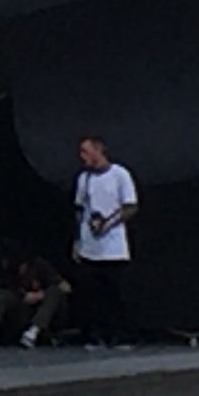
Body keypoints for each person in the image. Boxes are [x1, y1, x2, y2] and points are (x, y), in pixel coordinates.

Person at [71, 133, 139, 345]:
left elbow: (130, 206)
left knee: (115, 294)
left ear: (98, 151)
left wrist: (108, 223)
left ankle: (120, 335)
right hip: (90, 246)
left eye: (86, 151)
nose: (82, 156)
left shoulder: (120, 174)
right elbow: (80, 209)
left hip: (113, 247)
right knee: (92, 295)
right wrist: (77, 240)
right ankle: (95, 334)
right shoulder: (84, 179)